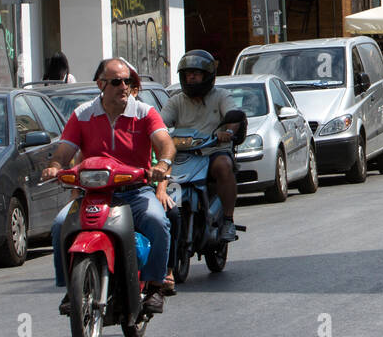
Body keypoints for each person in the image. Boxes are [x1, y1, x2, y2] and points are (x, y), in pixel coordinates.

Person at [44, 57, 175, 315]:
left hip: (136, 191)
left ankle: (156, 286)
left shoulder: (145, 112)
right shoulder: (82, 114)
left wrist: (162, 164)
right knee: (60, 224)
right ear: (100, 84)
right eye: (116, 81)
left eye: (127, 81)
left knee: (157, 220)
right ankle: (71, 289)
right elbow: (64, 151)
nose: (124, 86)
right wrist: (56, 166)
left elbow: (165, 143)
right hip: (93, 194)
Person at [159, 50, 240, 244]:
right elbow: (160, 123)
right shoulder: (176, 100)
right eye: (188, 74)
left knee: (223, 166)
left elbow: (234, 116)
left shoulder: (221, 96)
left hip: (212, 151)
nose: (192, 77)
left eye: (196, 73)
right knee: (166, 178)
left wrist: (227, 132)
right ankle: (171, 218)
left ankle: (228, 220)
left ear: (208, 75)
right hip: (183, 155)